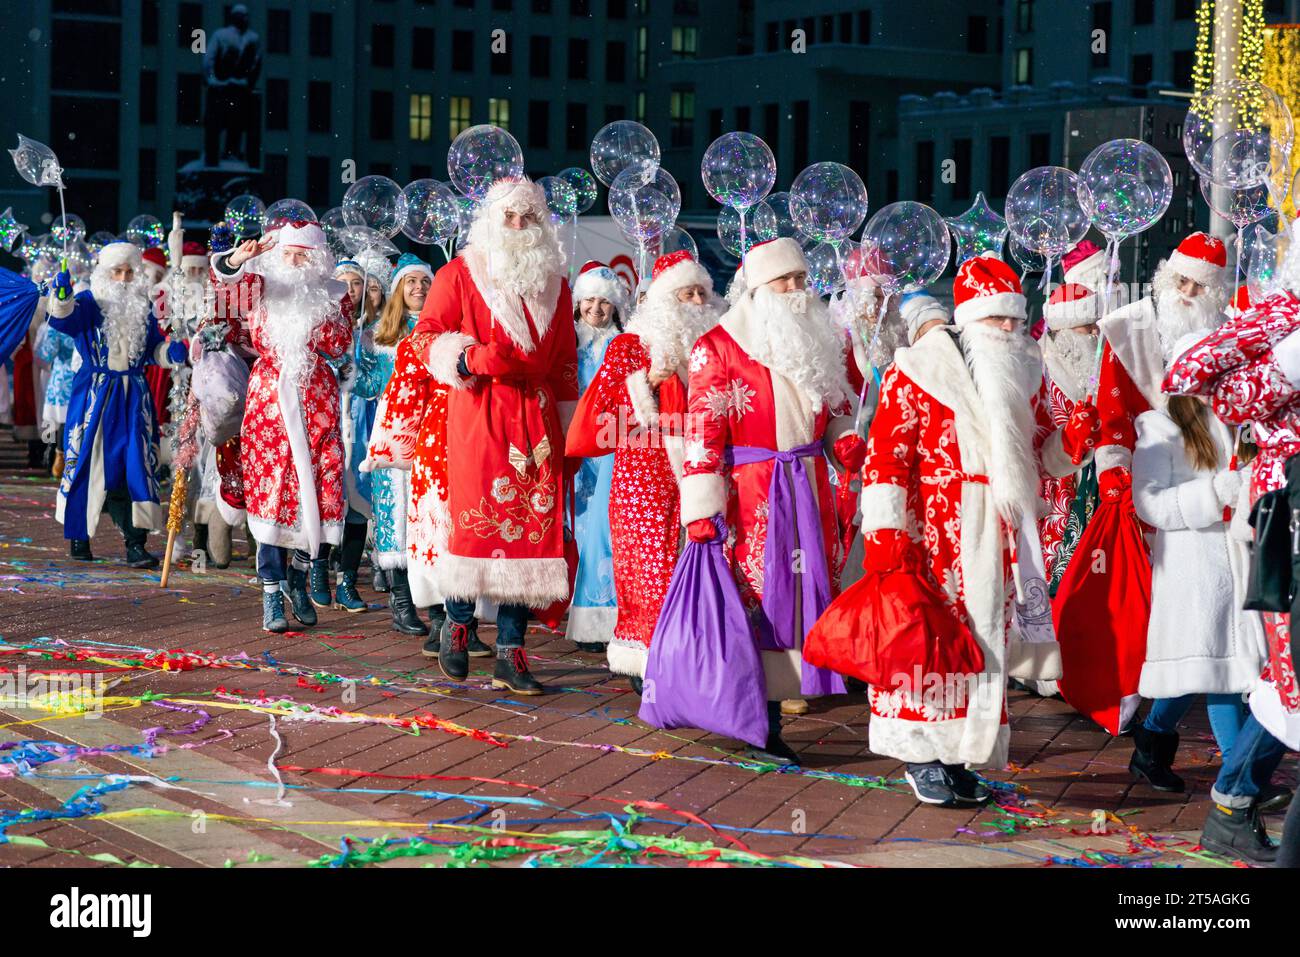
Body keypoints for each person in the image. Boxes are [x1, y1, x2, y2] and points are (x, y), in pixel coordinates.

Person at [847, 254, 1100, 806]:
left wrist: (1073, 443)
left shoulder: (1025, 371)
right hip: (933, 532)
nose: (1010, 330)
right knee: (930, 642)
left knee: (984, 646)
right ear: (970, 318)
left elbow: (1038, 458)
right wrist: (887, 535)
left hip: (999, 531)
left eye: (1015, 319)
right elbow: (887, 459)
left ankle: (963, 752)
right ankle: (920, 750)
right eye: (997, 321)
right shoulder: (914, 370)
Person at [679, 237, 864, 764]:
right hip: (750, 491)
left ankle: (779, 703)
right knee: (756, 596)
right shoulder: (717, 345)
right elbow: (702, 432)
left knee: (802, 597)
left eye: (802, 279)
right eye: (784, 280)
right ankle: (760, 721)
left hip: (808, 487)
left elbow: (834, 406)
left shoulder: (823, 338)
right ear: (759, 287)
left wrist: (845, 439)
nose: (797, 290)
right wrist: (701, 506)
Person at [413, 178, 578, 696]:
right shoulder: (459, 274)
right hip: (481, 413)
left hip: (538, 418)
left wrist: (572, 431)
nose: (519, 226)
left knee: (532, 530)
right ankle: (458, 627)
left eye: (528, 218)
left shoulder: (556, 282)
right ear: (490, 220)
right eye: (509, 216)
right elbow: (424, 339)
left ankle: (511, 650)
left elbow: (567, 362)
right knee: (479, 523)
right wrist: (469, 357)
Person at [1164, 236, 1300, 863]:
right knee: (1287, 680)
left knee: (1284, 682)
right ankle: (1231, 801)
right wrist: (1285, 318)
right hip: (1287, 524)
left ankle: (1232, 801)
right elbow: (1185, 374)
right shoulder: (1281, 332)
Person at [1129, 336, 1275, 812]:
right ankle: (1240, 781)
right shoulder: (1159, 425)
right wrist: (1215, 491)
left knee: (1198, 667)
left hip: (1237, 560)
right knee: (1219, 673)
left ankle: (1151, 739)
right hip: (1193, 569)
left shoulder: (1237, 420)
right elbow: (1149, 504)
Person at [567, 250, 723, 687]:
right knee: (647, 562)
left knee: (696, 559)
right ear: (663, 298)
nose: (695, 300)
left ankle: (694, 652)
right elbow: (601, 414)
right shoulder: (628, 346)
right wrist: (647, 383)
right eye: (685, 291)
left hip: (702, 466)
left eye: (701, 292)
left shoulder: (720, 347)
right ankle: (645, 654)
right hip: (644, 469)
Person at [211, 222, 353, 633]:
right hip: (270, 400)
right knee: (272, 492)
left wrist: (327, 305)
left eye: (304, 254)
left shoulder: (334, 296)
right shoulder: (259, 288)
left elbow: (338, 345)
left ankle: (299, 574)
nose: (296, 262)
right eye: (289, 254)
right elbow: (224, 290)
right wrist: (238, 257)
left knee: (325, 486)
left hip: (318, 399)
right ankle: (272, 590)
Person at [44, 241, 188, 566]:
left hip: (134, 398)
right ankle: (79, 536)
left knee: (133, 465)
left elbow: (154, 348)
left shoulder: (142, 307)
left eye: (129, 271)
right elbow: (63, 320)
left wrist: (171, 353)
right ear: (105, 273)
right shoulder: (89, 302)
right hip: (95, 397)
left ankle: (135, 543)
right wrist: (62, 296)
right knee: (87, 463)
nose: (124, 278)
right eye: (117, 271)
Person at [355, 254, 436, 635]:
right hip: (391, 434)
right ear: (399, 289)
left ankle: (435, 605)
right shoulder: (378, 335)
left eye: (425, 281)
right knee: (394, 515)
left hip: (434, 432)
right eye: (411, 281)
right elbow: (368, 387)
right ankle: (401, 604)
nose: (419, 288)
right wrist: (355, 362)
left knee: (428, 516)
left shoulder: (441, 330)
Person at [566, 261, 630, 654]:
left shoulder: (622, 343)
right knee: (580, 527)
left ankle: (602, 613)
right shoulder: (569, 345)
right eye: (589, 299)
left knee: (605, 530)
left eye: (604, 302)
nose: (596, 309)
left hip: (611, 445)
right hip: (576, 444)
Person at [1038, 282, 1102, 589]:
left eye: (1095, 327)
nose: (1094, 335)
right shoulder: (1039, 371)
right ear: (1063, 333)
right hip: (1055, 486)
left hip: (1094, 483)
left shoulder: (1101, 368)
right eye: (1085, 328)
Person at [332, 256, 388, 609]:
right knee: (327, 498)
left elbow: (379, 378)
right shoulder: (322, 325)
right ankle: (317, 571)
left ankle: (348, 580)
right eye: (344, 284)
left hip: (362, 423)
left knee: (357, 501)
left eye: (357, 284)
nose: (351, 291)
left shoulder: (374, 332)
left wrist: (362, 375)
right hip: (329, 419)